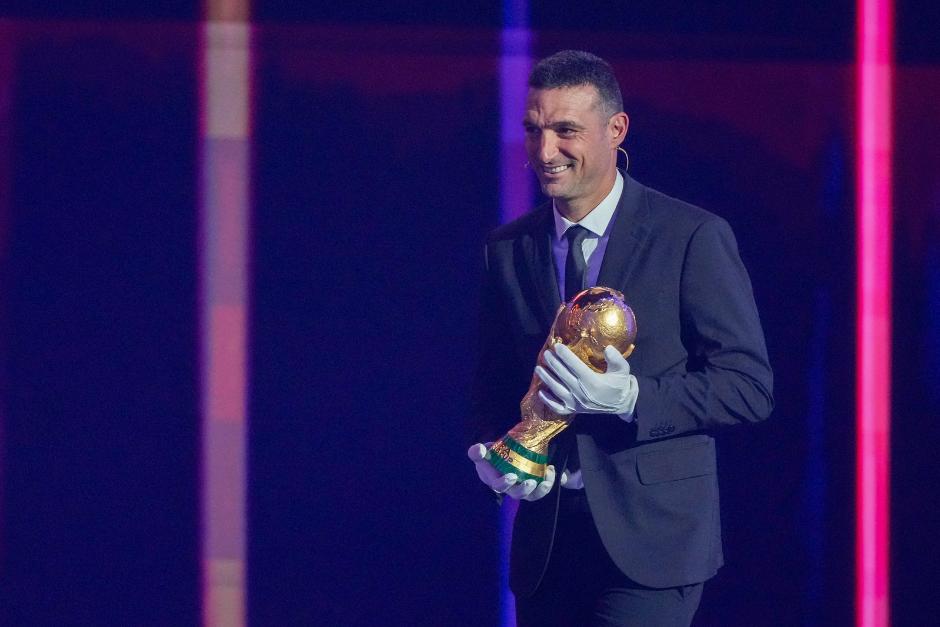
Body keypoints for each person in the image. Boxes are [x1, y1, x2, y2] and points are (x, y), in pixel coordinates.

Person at [468, 50, 773, 626]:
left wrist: (633, 399)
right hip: (548, 544)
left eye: (565, 131)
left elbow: (748, 387)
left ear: (616, 129)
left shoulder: (691, 236)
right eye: (533, 130)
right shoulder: (507, 249)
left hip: (653, 543)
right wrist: (494, 454)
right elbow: (493, 380)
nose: (544, 151)